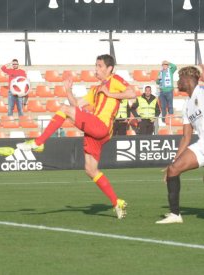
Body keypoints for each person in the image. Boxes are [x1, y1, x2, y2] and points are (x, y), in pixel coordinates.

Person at [17, 54, 136, 219]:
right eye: (96, 65)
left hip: (101, 126)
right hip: (95, 132)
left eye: (100, 66)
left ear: (109, 69)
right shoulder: (95, 89)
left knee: (64, 110)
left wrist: (109, 93)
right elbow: (76, 105)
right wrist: (68, 90)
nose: (96, 68)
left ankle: (39, 142)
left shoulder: (114, 80)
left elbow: (132, 93)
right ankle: (117, 202)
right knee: (90, 170)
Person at [157, 65, 204, 224]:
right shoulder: (187, 105)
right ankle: (175, 215)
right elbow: (186, 137)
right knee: (173, 170)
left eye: (179, 78)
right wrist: (174, 161)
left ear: (188, 79)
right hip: (201, 145)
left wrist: (200, 69)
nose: (177, 82)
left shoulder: (202, 93)